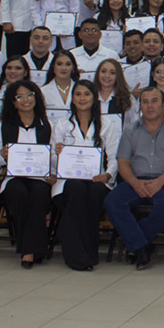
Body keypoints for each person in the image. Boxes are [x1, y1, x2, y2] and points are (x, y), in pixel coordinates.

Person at [104, 87, 164, 270]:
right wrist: (134, 182)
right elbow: (123, 161)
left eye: (154, 101)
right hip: (135, 180)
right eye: (145, 102)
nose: (149, 106)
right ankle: (142, 246)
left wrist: (160, 181)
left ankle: (136, 241)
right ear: (140, 105)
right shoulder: (130, 130)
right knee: (112, 201)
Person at [50, 80, 120, 270]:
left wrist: (107, 175)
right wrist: (56, 153)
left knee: (95, 192)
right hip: (68, 182)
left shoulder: (106, 125)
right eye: (78, 94)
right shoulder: (62, 125)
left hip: (97, 180)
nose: (82, 98)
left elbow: (114, 157)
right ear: (72, 99)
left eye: (86, 94)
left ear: (94, 97)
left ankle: (84, 253)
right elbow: (53, 162)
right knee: (76, 189)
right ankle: (81, 257)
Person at [0, 80, 52, 268]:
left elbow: (52, 156)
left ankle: (27, 250)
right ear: (13, 102)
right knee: (18, 193)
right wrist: (3, 155)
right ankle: (32, 249)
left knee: (39, 194)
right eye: (19, 96)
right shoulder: (3, 126)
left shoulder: (46, 125)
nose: (26, 100)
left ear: (36, 98)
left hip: (38, 176)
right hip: (11, 175)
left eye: (29, 95)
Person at [94, 59, 136, 125]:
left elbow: (135, 123)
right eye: (103, 71)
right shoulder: (90, 96)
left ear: (118, 76)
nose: (107, 76)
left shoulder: (127, 98)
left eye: (112, 73)